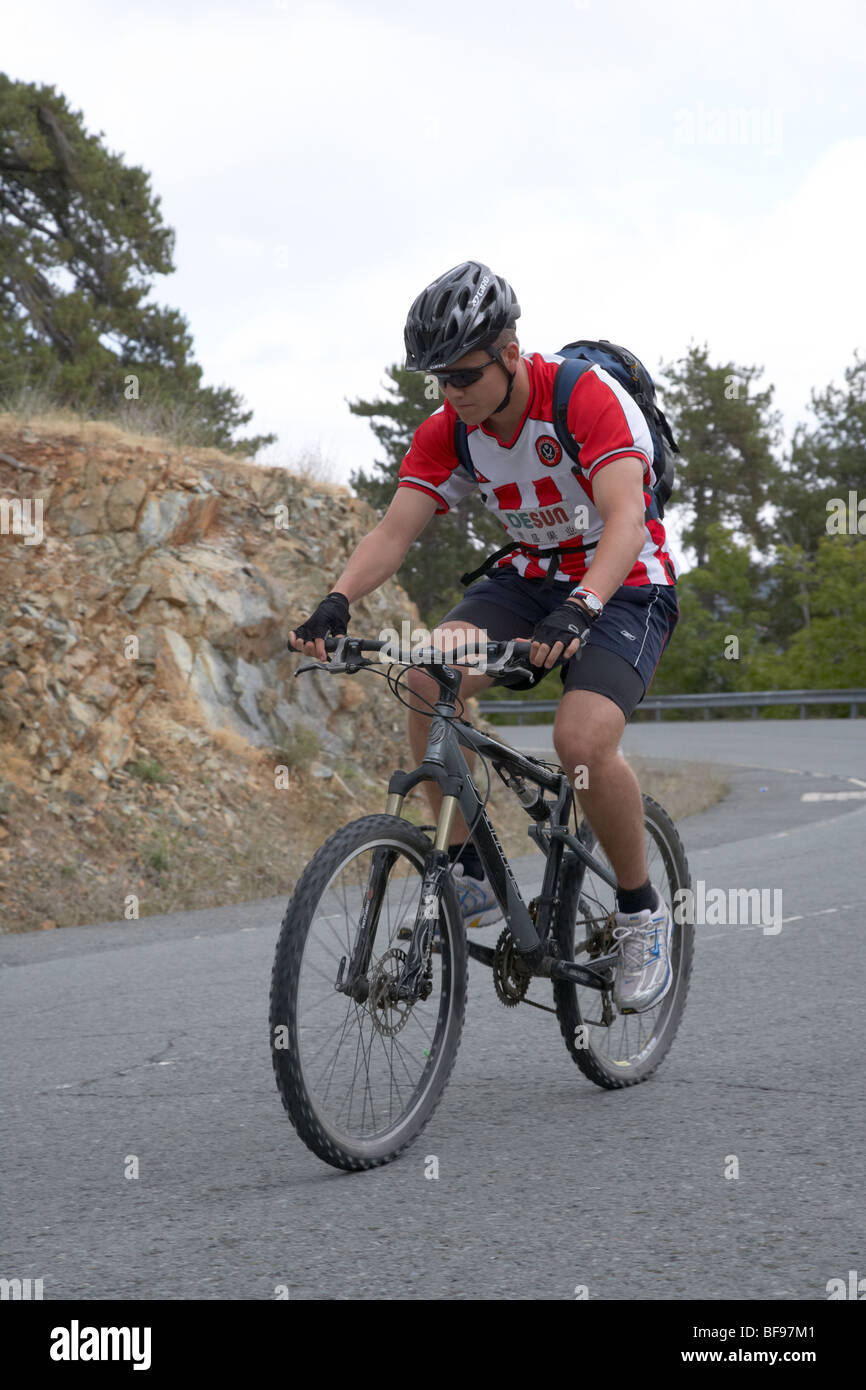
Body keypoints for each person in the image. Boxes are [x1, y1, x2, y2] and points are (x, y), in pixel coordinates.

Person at [288, 261, 680, 1013]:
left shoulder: (583, 398)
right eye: (437, 378)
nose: (451, 392)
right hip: (528, 581)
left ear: (509, 353)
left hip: (625, 580)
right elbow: (394, 530)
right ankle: (466, 865)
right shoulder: (452, 431)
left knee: (582, 741)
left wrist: (584, 608)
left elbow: (626, 523)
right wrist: (336, 599)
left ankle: (640, 914)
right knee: (428, 673)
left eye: (464, 373)